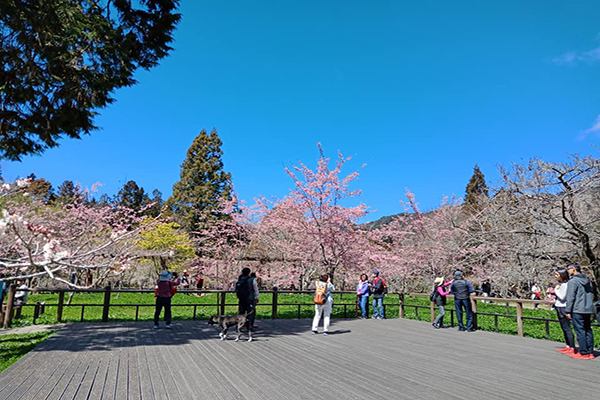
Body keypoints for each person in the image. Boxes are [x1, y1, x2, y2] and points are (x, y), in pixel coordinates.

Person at [565, 263, 595, 360]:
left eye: (568, 269)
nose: (567, 271)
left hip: (577, 309)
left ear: (573, 270)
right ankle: (590, 351)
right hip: (588, 308)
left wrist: (568, 310)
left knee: (580, 330)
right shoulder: (588, 280)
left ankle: (583, 352)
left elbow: (570, 297)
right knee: (588, 330)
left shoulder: (573, 281)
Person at [553, 267, 576, 355]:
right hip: (559, 306)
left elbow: (562, 297)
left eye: (557, 274)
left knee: (567, 328)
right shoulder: (562, 284)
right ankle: (568, 345)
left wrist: (556, 290)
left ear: (562, 275)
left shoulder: (566, 285)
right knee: (563, 327)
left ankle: (572, 346)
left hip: (563, 307)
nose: (556, 276)